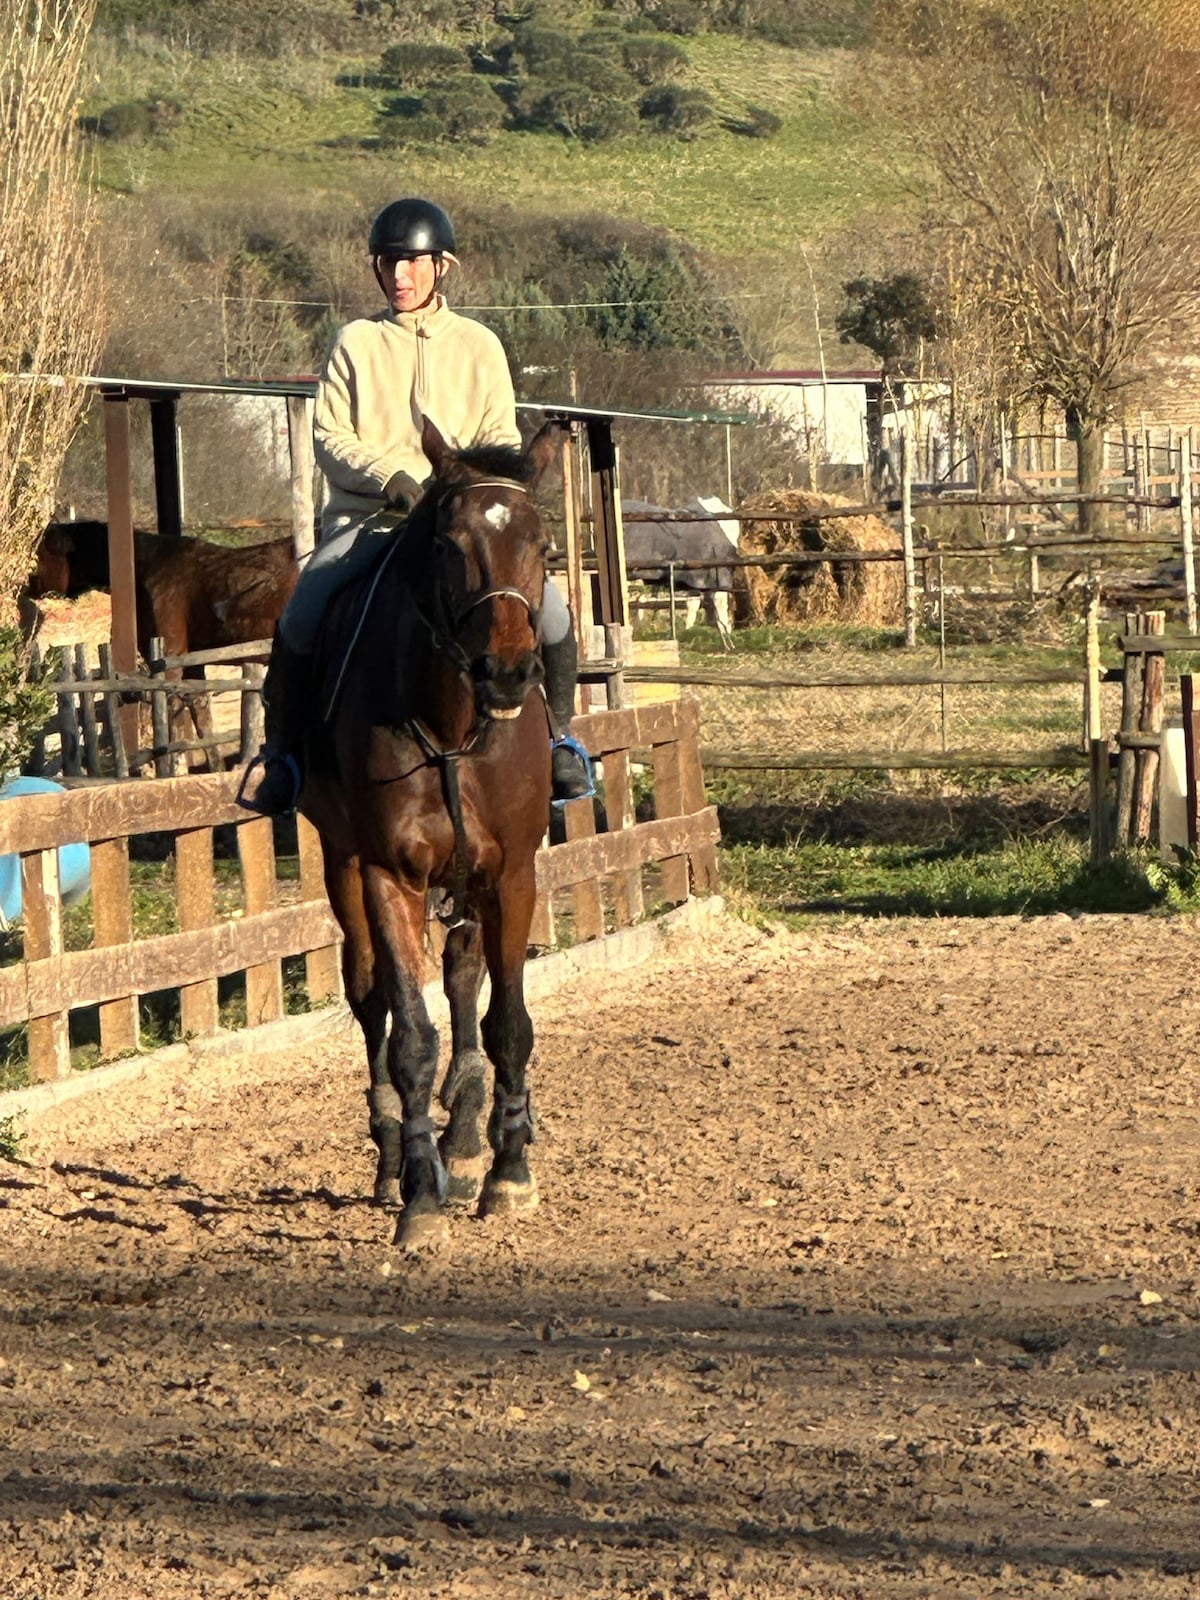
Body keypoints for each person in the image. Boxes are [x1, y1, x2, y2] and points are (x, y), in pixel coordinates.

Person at [242, 196, 593, 816]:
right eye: (388, 263)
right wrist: (391, 476)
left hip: (464, 526)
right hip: (372, 520)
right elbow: (329, 437)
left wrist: (473, 494)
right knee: (302, 613)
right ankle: (284, 756)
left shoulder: (481, 347)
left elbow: (502, 438)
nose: (399, 276)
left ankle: (560, 739)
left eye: (411, 262)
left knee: (557, 615)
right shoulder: (355, 342)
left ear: (442, 266)